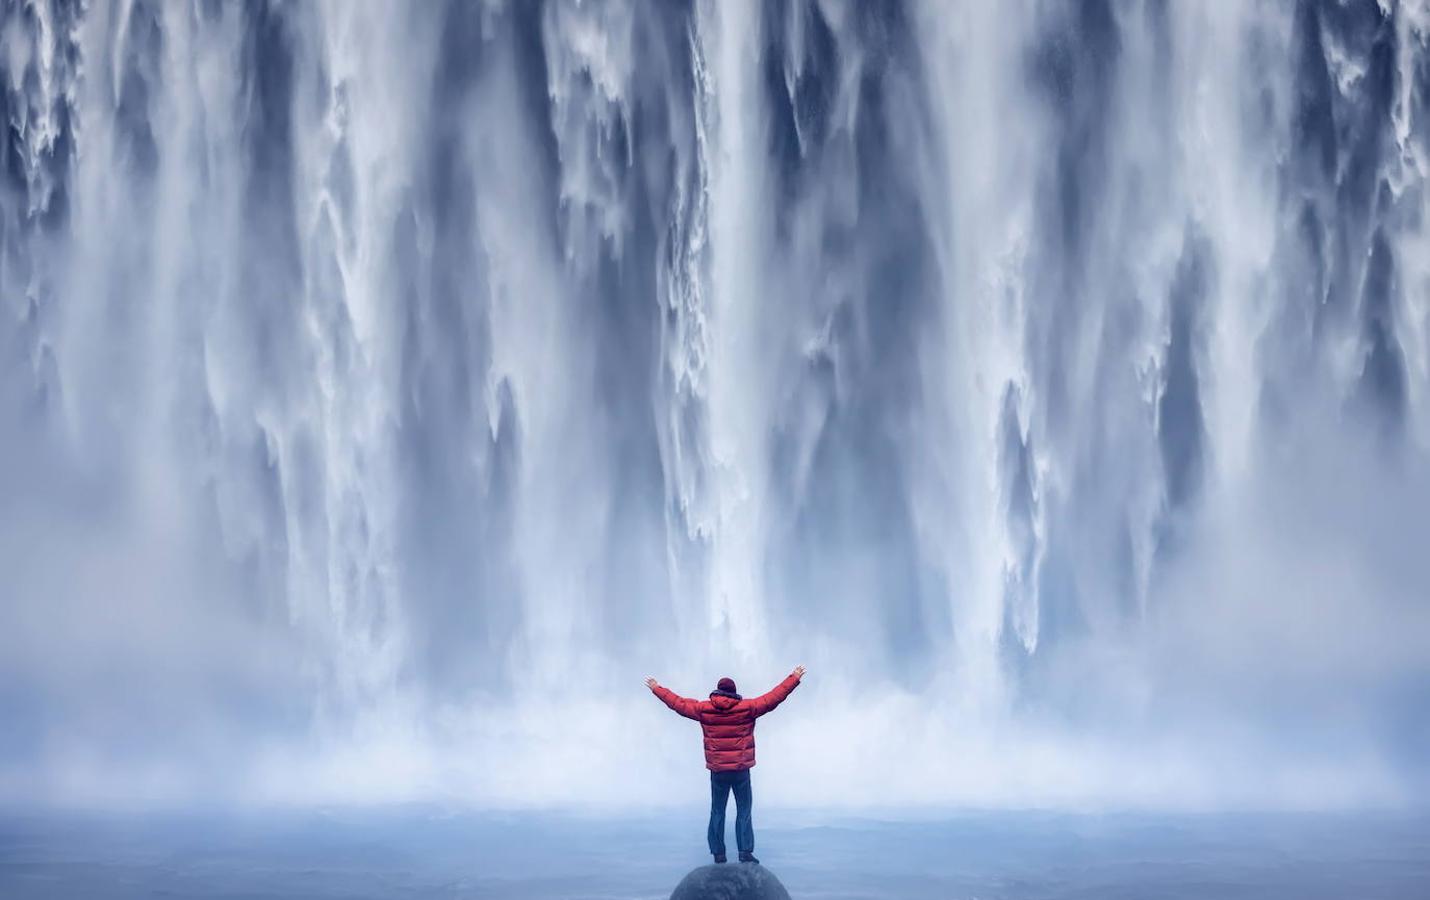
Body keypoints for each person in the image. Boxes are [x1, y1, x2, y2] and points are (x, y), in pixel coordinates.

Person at [645, 665, 806, 865]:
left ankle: (718, 853)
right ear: (734, 692)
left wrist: (656, 688)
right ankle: (745, 853)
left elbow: (678, 703)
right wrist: (794, 678)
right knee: (744, 811)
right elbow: (774, 697)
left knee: (717, 811)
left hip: (718, 771)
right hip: (740, 770)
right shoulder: (748, 708)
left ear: (717, 691)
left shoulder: (704, 709)